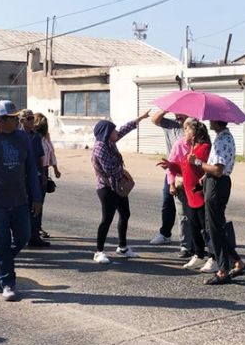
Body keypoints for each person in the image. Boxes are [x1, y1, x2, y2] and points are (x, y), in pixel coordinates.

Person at [0, 100, 43, 301]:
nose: (17, 122)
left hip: (20, 199)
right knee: (2, 243)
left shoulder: (22, 138)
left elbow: (31, 169)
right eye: (13, 119)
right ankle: (8, 283)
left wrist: (36, 197)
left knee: (23, 236)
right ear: (0, 120)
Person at [190, 120, 245, 284]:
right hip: (214, 182)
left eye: (212, 119)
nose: (209, 121)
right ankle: (237, 262)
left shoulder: (223, 139)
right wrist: (204, 176)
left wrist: (198, 163)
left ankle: (223, 269)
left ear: (217, 121)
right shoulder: (223, 136)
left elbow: (218, 169)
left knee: (214, 229)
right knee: (216, 227)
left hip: (217, 184)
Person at [91, 111, 150, 264]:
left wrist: (139, 119)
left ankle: (122, 247)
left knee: (125, 214)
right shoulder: (100, 147)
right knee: (107, 219)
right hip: (106, 188)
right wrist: (124, 171)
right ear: (106, 133)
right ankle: (99, 252)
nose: (116, 132)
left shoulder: (110, 142)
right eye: (113, 130)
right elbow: (110, 169)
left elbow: (123, 130)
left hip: (118, 186)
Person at [157, 118, 214, 271]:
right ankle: (199, 254)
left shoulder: (204, 147)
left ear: (194, 132)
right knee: (194, 226)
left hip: (199, 193)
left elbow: (206, 169)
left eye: (187, 129)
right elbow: (184, 169)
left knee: (205, 228)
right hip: (190, 195)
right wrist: (170, 165)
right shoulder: (191, 148)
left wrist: (195, 161)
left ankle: (213, 257)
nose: (185, 132)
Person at [149, 110, 192, 257]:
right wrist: (166, 108)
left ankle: (192, 240)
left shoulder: (194, 127)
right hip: (172, 172)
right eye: (176, 113)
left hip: (189, 172)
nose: (178, 116)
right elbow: (154, 120)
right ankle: (165, 234)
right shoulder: (171, 125)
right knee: (168, 202)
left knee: (189, 208)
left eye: (181, 113)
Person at [19, 109, 50, 248]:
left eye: (32, 118)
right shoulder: (16, 136)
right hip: (20, 177)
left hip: (35, 176)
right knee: (21, 207)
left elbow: (40, 156)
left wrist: (44, 174)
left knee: (37, 205)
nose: (32, 121)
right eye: (29, 119)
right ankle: (20, 235)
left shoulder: (35, 136)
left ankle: (34, 235)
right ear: (22, 121)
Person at [33, 113, 61, 239]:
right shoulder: (33, 137)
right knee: (35, 200)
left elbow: (51, 153)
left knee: (40, 201)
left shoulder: (46, 137)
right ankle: (33, 229)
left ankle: (37, 227)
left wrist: (55, 168)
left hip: (45, 170)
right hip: (35, 171)